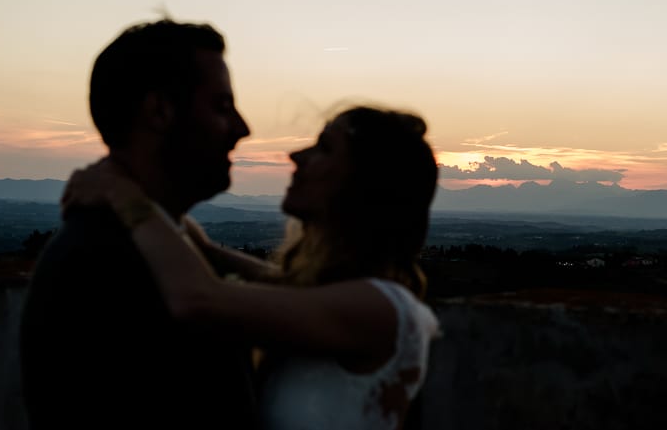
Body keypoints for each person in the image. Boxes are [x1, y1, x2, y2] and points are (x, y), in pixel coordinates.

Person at [62, 105, 441, 430]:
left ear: (364, 187)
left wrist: (124, 195)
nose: (297, 155)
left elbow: (198, 299)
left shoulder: (382, 307)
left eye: (324, 148)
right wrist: (176, 219)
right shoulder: (339, 300)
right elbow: (258, 276)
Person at [19, 19, 256, 429]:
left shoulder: (144, 245)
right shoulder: (104, 265)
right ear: (160, 112)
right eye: (221, 106)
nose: (242, 128)